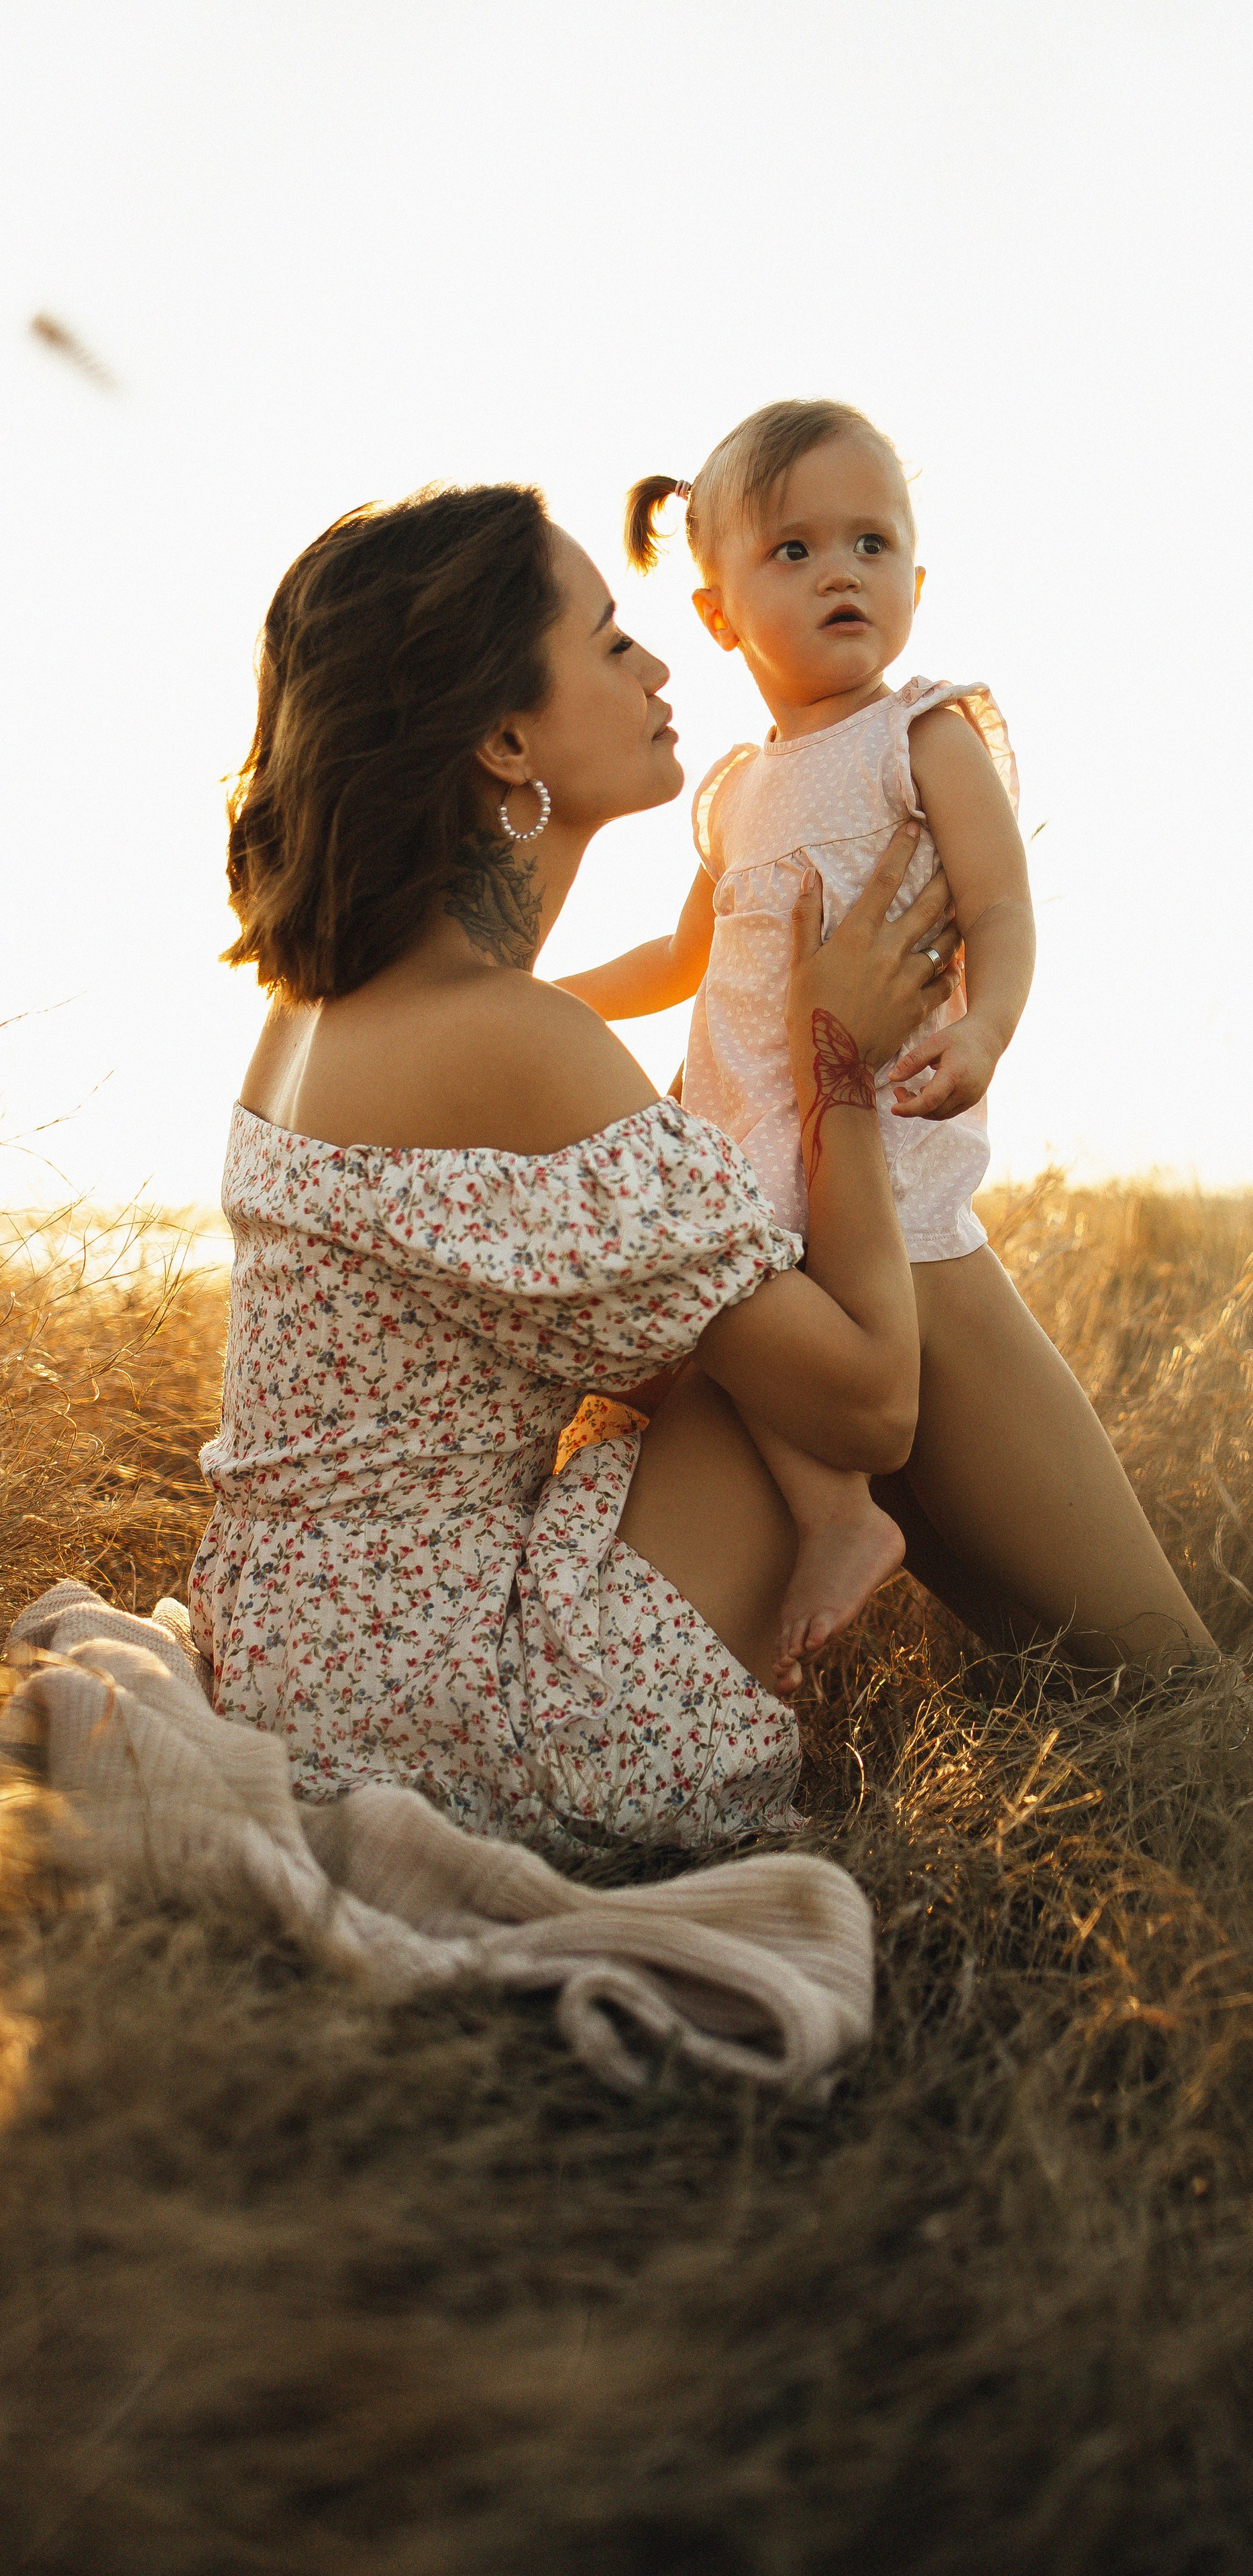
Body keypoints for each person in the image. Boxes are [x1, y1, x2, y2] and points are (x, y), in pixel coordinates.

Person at [193, 482, 955, 1848]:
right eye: (609, 640)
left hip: (308, 1665)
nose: (662, 667)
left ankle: (1163, 1681)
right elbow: (869, 1411)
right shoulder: (507, 1038)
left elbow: (623, 1322)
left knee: (750, 1276)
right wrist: (833, 1061)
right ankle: (1164, 1688)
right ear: (502, 736)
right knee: (867, 1276)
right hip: (475, 1711)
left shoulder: (319, 1009)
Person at [559, 399, 1215, 1687]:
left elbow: (1002, 909)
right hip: (755, 1150)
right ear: (718, 613)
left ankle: (843, 1517)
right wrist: (544, 1004)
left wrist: (986, 1027)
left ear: (916, 577)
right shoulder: (739, 788)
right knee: (718, 1312)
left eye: (871, 543)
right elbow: (680, 961)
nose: (840, 572)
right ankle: (835, 1517)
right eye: (792, 552)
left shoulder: (923, 736)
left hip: (883, 1151)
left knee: (760, 1299)